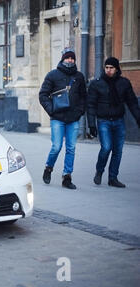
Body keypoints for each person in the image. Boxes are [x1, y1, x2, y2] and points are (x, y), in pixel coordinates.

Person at [87, 57, 140, 188]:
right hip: (103, 120)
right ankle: (99, 171)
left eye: (111, 68)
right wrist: (92, 125)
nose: (109, 70)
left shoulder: (124, 83)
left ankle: (113, 178)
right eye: (107, 68)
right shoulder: (96, 84)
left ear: (117, 69)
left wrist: (138, 118)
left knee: (118, 150)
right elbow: (91, 105)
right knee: (106, 147)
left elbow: (132, 102)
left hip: (119, 120)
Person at [39, 48, 87, 189]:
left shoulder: (79, 77)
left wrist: (80, 111)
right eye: (67, 58)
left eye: (72, 58)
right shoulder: (52, 75)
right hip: (57, 118)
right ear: (62, 59)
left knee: (71, 148)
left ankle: (67, 177)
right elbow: (43, 95)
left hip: (73, 119)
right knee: (56, 146)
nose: (70, 60)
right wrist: (51, 110)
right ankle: (48, 168)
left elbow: (84, 96)